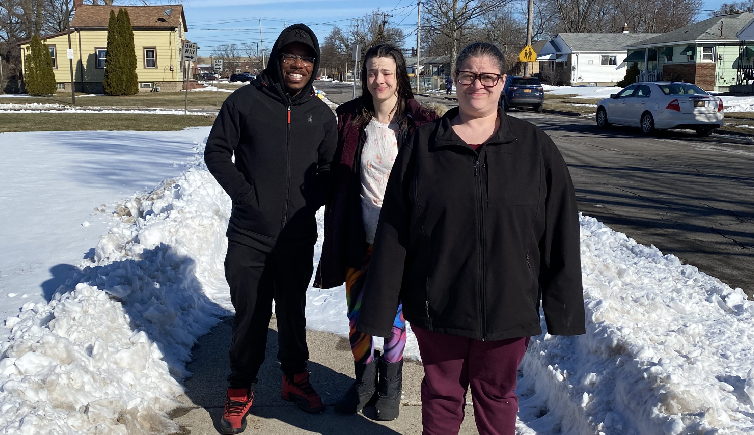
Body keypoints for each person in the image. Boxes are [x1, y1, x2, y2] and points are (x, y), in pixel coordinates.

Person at [356, 42, 585, 434]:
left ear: (502, 82)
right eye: (467, 76)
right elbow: (395, 228)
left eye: (487, 77)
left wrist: (562, 306)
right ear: (454, 81)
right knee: (442, 395)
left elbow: (559, 229)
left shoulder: (534, 148)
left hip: (508, 305)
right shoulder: (424, 146)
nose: (477, 85)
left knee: (496, 395)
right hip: (438, 302)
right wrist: (379, 304)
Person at [204, 24, 338, 435]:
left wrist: (310, 200)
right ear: (277, 58)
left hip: (296, 238)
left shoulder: (319, 114)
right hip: (250, 235)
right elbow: (216, 152)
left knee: (293, 313)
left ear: (314, 66)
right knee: (251, 315)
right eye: (291, 56)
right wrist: (247, 197)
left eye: (306, 58)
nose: (298, 65)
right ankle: (240, 389)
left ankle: (294, 379)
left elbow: (330, 169)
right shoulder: (245, 102)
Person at [315, 44, 437, 421]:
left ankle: (391, 385)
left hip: (400, 242)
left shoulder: (422, 122)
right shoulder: (349, 119)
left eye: (386, 72)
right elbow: (327, 167)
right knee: (356, 315)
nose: (378, 80)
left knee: (395, 317)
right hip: (358, 233)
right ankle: (364, 380)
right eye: (371, 72)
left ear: (400, 74)